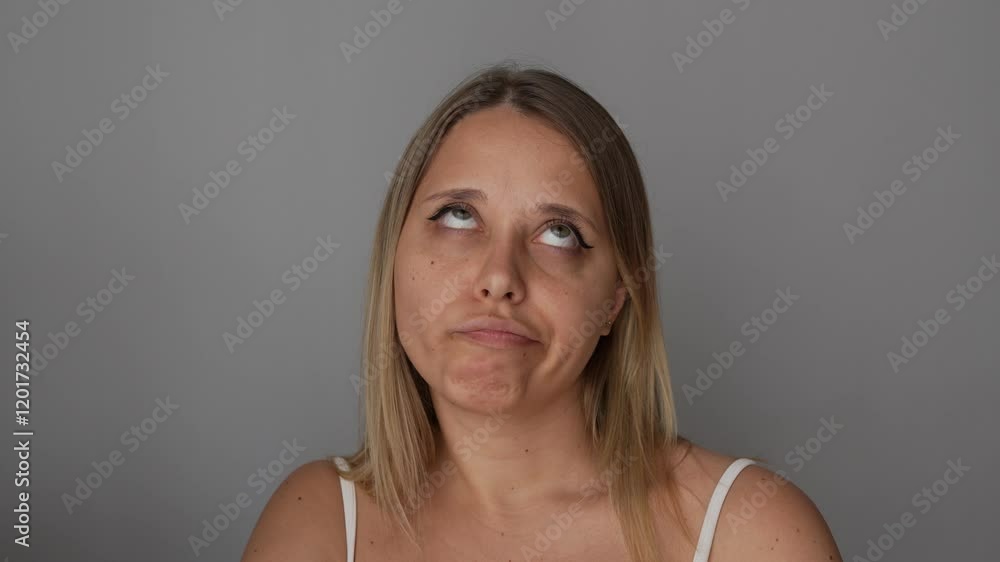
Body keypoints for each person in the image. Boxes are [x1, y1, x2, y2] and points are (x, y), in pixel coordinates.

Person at [241, 61, 843, 562]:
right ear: (393, 260)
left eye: (559, 233)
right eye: (458, 216)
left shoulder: (751, 531)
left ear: (616, 297)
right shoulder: (320, 523)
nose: (499, 277)